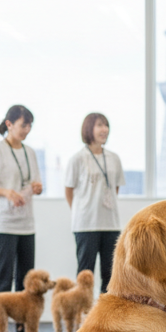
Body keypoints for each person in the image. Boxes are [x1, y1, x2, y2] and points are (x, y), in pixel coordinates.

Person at [0, 104, 43, 332]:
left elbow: (35, 182)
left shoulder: (30, 152)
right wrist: (6, 192)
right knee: (3, 276)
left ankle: (23, 327)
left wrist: (37, 187)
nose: (27, 130)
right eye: (24, 125)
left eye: (30, 126)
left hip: (26, 223)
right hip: (2, 224)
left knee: (26, 277)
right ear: (9, 124)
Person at [64, 112, 124, 293]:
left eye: (106, 125)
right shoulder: (77, 158)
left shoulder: (114, 158)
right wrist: (81, 211)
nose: (104, 129)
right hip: (85, 225)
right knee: (85, 274)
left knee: (111, 274)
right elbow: (69, 190)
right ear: (89, 129)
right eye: (99, 125)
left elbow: (115, 188)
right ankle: (83, 310)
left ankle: (106, 310)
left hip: (111, 224)